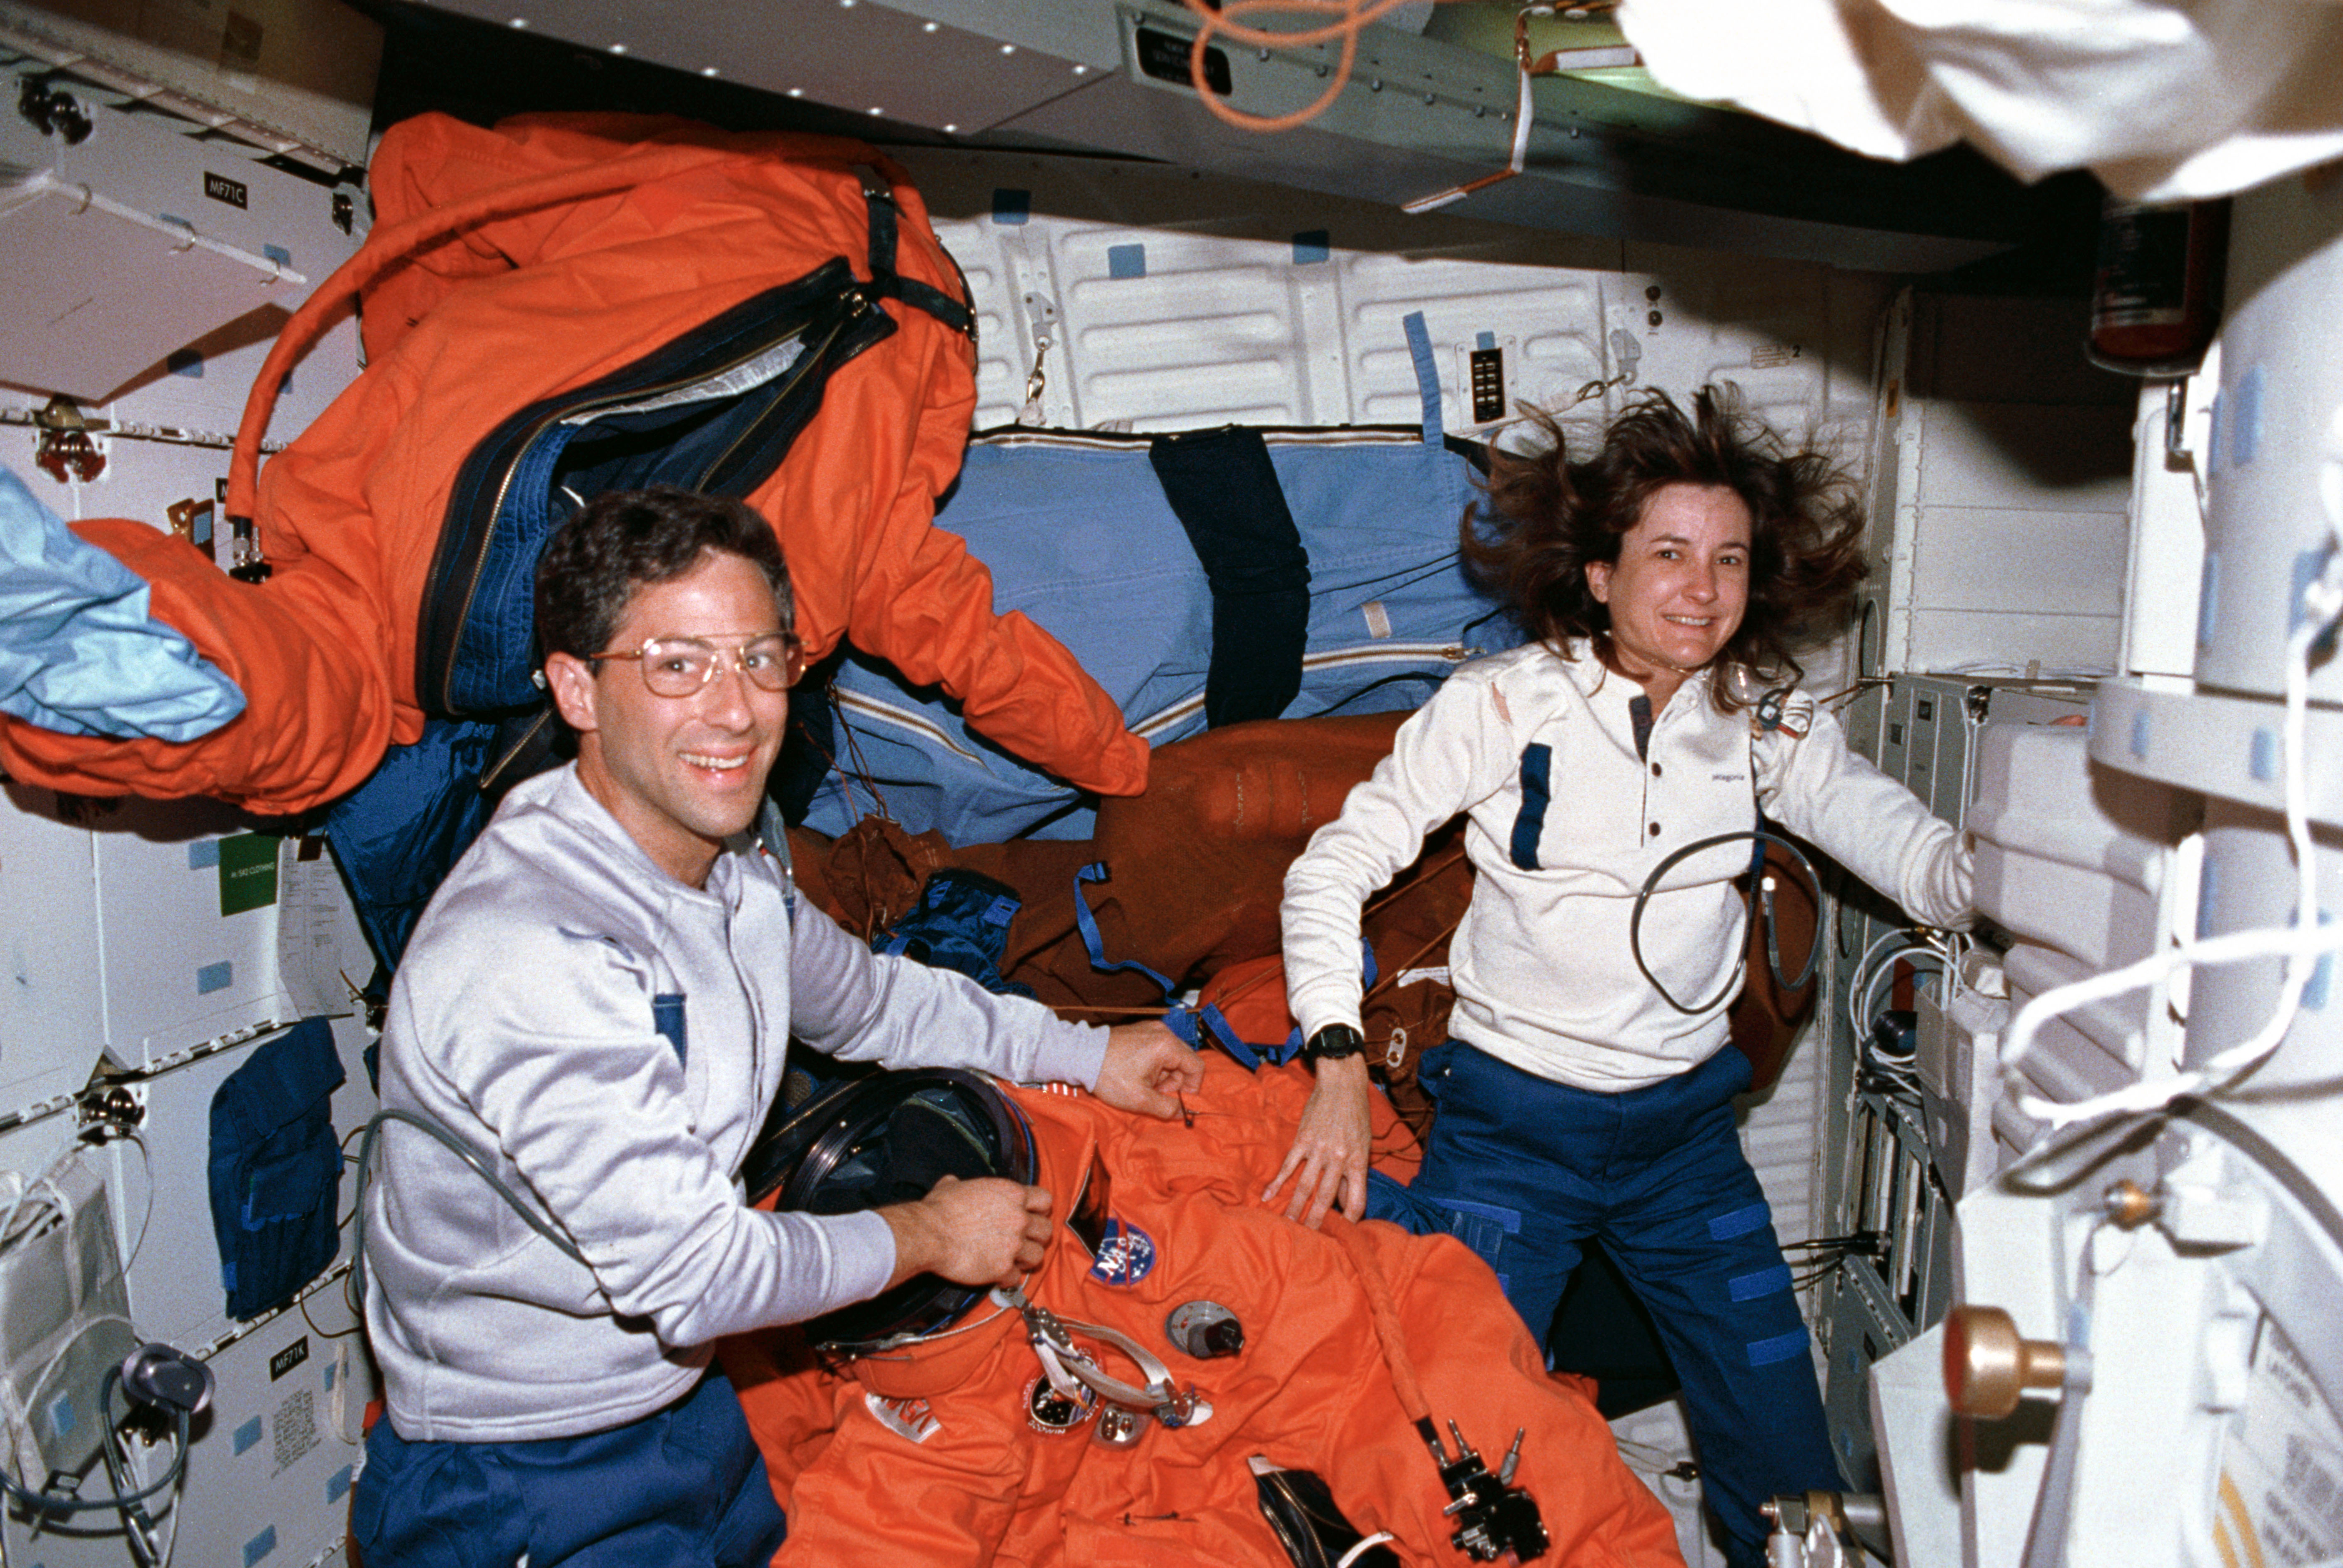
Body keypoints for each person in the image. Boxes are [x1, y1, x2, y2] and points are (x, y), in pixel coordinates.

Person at [351, 487, 1200, 1568]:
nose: (737, 709)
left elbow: (873, 1001)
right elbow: (697, 1273)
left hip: (675, 1396)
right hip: (518, 1467)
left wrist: (1091, 1053)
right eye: (676, 663)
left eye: (761, 659)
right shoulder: (532, 947)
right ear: (575, 686)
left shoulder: (733, 865)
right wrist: (935, 1232)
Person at [1270, 388, 1970, 1567]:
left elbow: (1910, 851)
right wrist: (1333, 1058)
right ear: (1598, 573)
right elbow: (1333, 865)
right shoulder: (1501, 704)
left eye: (1728, 558)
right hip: (1510, 1134)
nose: (1702, 588)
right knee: (1452, 1439)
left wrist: (2035, 874)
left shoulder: (1766, 722)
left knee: (1782, 1449)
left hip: (1681, 1145)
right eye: (1668, 554)